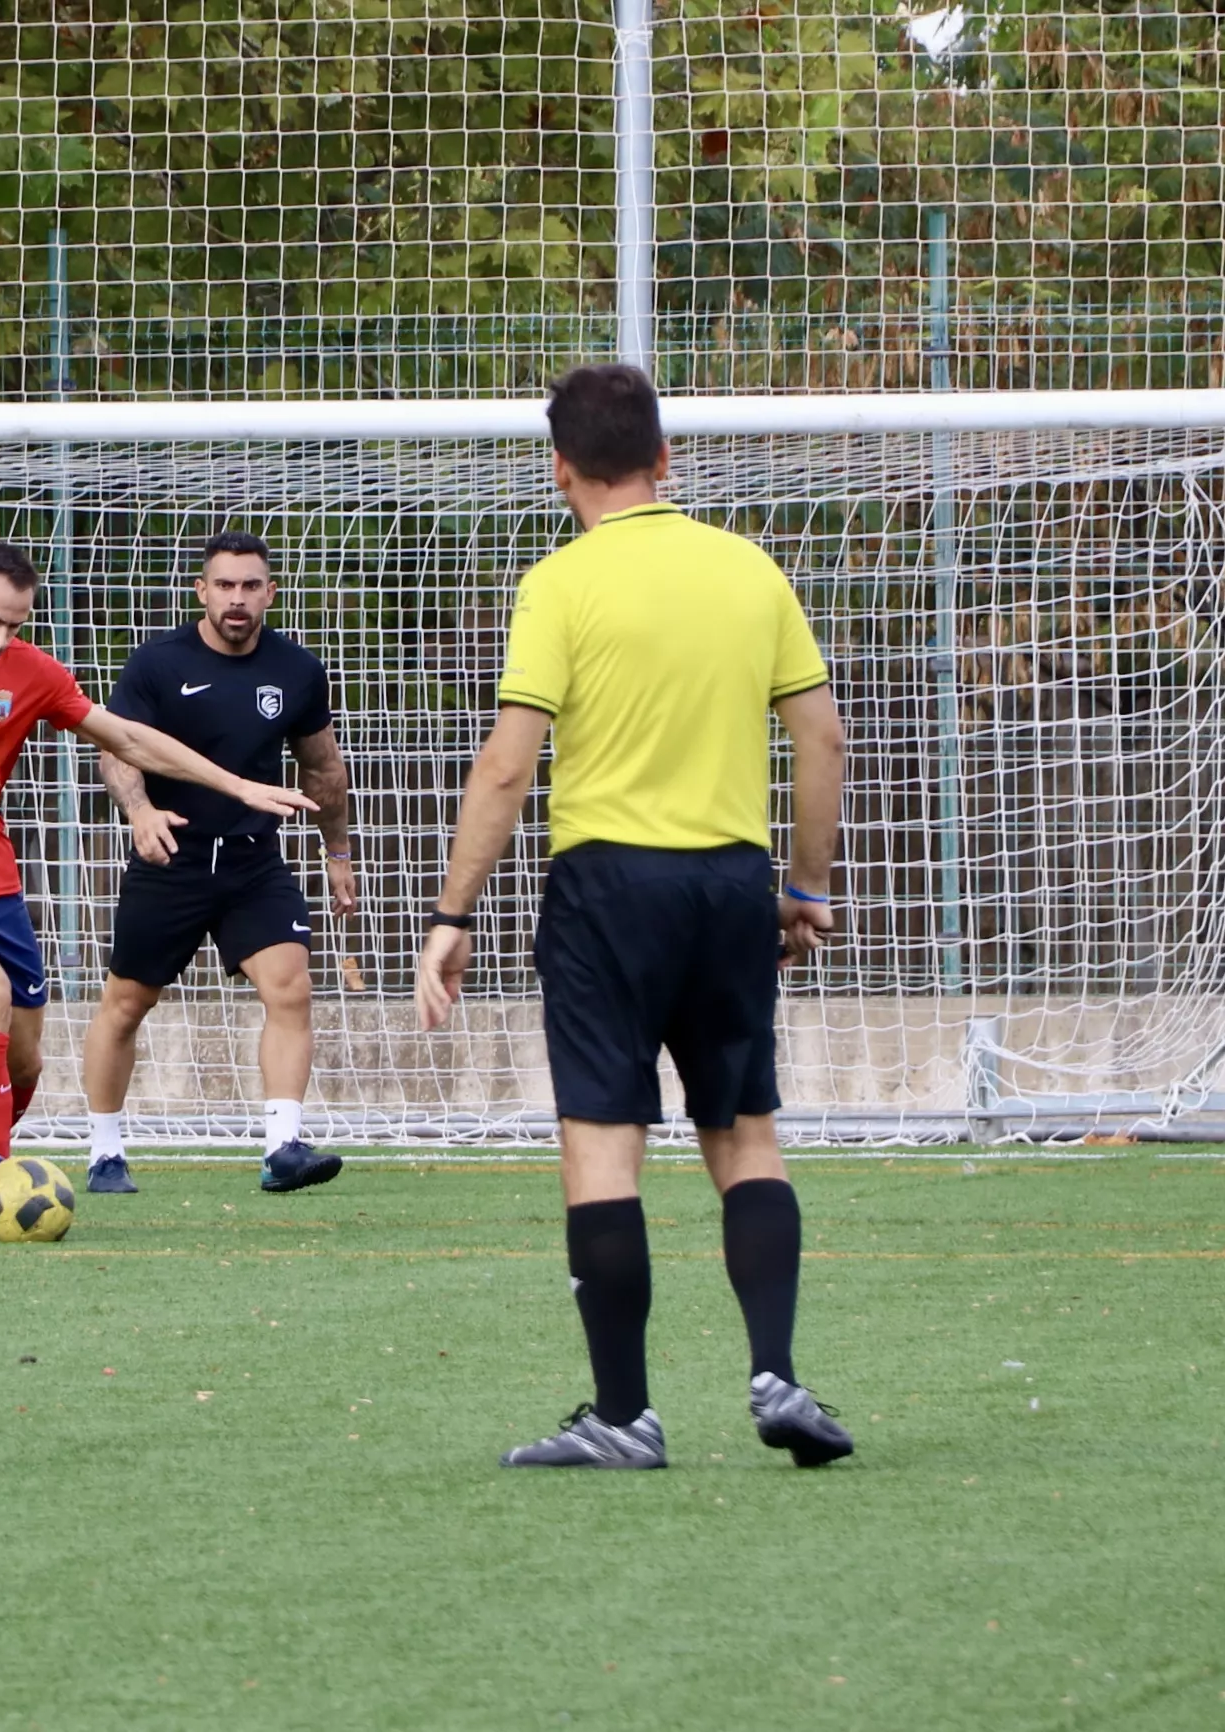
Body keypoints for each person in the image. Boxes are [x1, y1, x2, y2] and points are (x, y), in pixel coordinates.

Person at [417, 364, 854, 1469]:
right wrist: (802, 888)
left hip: (609, 890)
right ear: (667, 458)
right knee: (745, 1132)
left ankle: (624, 1415)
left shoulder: (559, 584)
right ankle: (777, 1373)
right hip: (726, 883)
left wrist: (451, 912)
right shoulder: (748, 569)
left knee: (602, 1146)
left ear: (561, 470)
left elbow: (509, 766)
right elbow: (823, 740)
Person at [0, 540, 315, 1228]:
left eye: (16, 625)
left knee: (24, 1065)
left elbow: (127, 739)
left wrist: (233, 784)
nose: (2, 639)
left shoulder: (29, 672)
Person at [81, 530, 356, 1195]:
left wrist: (338, 851)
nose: (238, 599)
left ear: (270, 592)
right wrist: (140, 814)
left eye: (251, 586)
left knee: (291, 988)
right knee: (126, 1002)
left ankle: (283, 1145)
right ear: (201, 591)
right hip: (171, 857)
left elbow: (322, 768)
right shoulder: (156, 664)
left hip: (253, 862)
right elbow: (116, 752)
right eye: (225, 586)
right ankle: (105, 1151)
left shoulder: (297, 671)